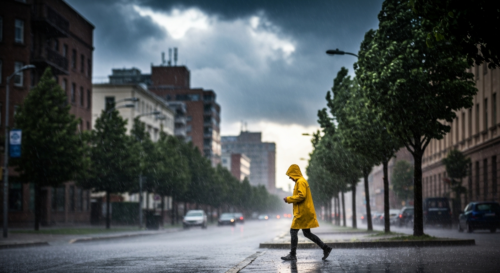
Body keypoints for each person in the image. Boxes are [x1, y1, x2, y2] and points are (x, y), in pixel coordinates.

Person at [281, 164, 332, 261]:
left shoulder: (300, 182)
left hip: (302, 213)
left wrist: (288, 199)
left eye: (290, 175)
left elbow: (302, 196)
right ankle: (326, 248)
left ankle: (292, 255)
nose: (290, 178)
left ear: (295, 173)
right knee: (307, 234)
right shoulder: (301, 181)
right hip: (304, 211)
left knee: (293, 231)